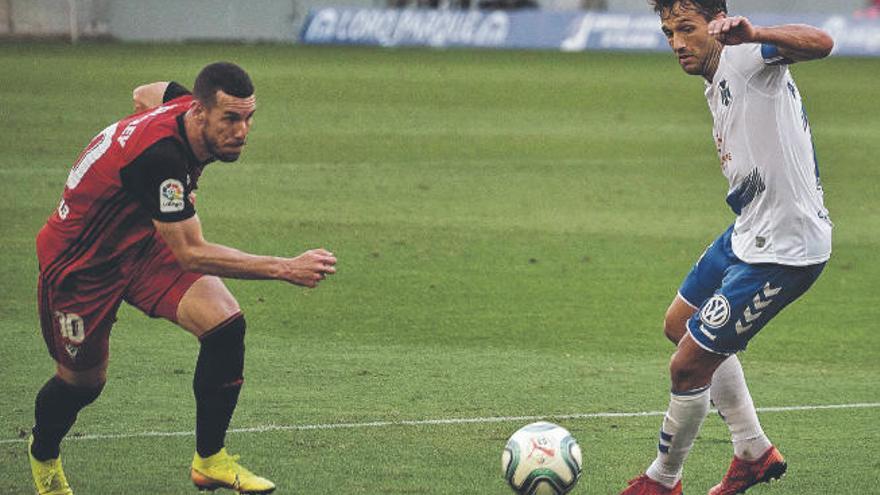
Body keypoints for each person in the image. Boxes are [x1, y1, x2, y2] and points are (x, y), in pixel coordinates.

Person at [28, 62, 337, 495]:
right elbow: (191, 253)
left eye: (249, 117)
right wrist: (286, 267)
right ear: (198, 113)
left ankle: (210, 461)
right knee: (82, 385)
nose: (243, 131)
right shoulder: (161, 160)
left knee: (225, 325)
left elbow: (144, 91)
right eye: (230, 118)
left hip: (144, 243)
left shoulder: (178, 103)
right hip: (81, 266)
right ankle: (43, 456)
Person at [619, 2, 834, 494]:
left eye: (687, 29)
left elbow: (822, 43)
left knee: (688, 364)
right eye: (668, 32)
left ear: (716, 22)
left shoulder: (747, 56)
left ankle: (663, 480)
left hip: (785, 248)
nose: (676, 43)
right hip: (749, 229)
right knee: (678, 324)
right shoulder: (716, 72)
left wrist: (754, 31)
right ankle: (753, 451)